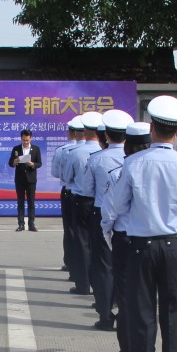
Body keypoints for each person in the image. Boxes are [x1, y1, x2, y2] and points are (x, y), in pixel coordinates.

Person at [107, 95, 177, 352]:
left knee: (142, 312)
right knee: (173, 313)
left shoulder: (134, 163)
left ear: (152, 127)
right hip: (174, 245)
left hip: (140, 246)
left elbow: (117, 205)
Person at [102, 122, 151, 352]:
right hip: (159, 239)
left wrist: (107, 232)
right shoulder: (171, 165)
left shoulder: (121, 171)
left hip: (125, 238)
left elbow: (111, 209)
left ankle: (128, 349)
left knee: (125, 296)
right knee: (150, 299)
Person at [79, 109, 131, 330]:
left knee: (104, 265)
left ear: (106, 136)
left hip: (101, 212)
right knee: (128, 266)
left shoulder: (96, 159)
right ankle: (125, 312)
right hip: (130, 216)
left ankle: (105, 314)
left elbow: (86, 189)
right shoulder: (134, 159)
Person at [64, 111, 104, 295]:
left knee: (82, 243)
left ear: (84, 131)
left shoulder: (75, 152)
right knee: (101, 245)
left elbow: (66, 177)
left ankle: (83, 283)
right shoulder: (104, 153)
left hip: (81, 200)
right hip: (103, 203)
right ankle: (100, 285)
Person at [55, 117, 84, 271]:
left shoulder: (65, 151)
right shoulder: (99, 151)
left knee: (71, 230)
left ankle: (72, 264)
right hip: (98, 200)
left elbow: (60, 174)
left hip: (71, 194)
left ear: (71, 132)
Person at [8, 129, 42, 230]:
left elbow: (39, 163)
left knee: (31, 202)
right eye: (24, 140)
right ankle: (21, 224)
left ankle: (31, 224)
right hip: (20, 179)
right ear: (21, 139)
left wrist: (33, 164)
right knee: (20, 202)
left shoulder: (36, 149)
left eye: (27, 140)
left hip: (31, 180)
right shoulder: (16, 149)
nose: (25, 142)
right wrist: (15, 162)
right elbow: (10, 164)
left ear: (30, 138)